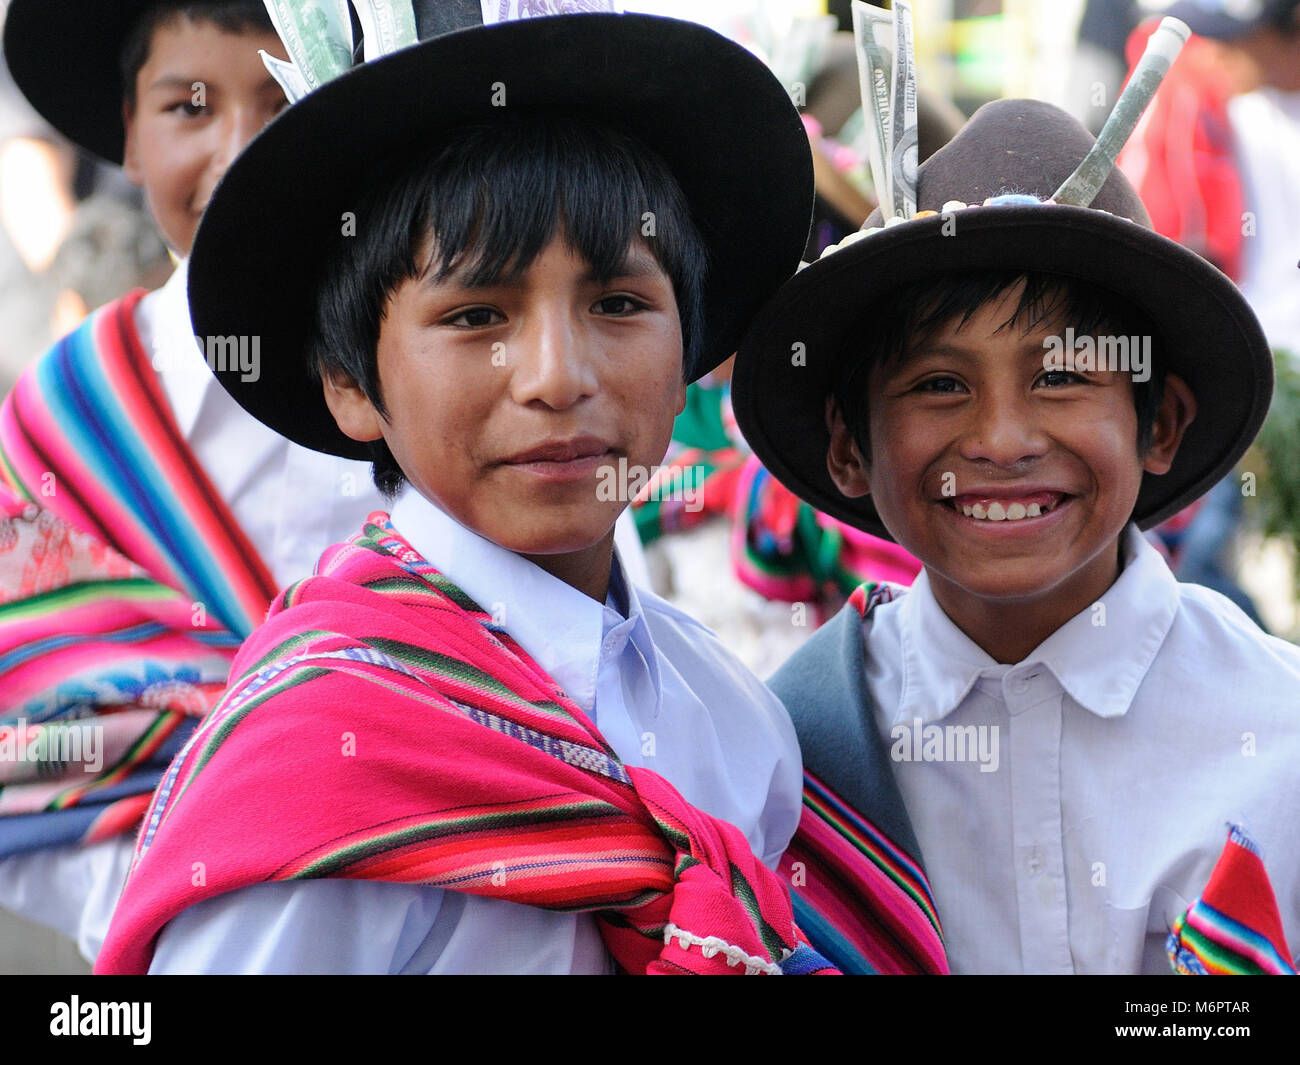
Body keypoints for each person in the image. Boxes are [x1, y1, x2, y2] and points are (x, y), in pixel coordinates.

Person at [95, 3, 829, 976]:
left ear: (692, 347)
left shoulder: (738, 724)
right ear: (352, 382)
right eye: (478, 312)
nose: (555, 376)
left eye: (618, 304)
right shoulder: (314, 777)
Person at [731, 95, 1300, 974]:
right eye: (938, 385)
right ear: (850, 446)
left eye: (1063, 374)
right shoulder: (787, 756)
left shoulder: (1280, 733)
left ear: (1161, 425)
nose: (1001, 438)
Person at [0, 0, 388, 965]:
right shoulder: (70, 425)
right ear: (127, 138)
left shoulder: (442, 385)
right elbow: (25, 763)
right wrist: (196, 918)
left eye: (285, 99)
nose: (243, 149)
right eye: (189, 108)